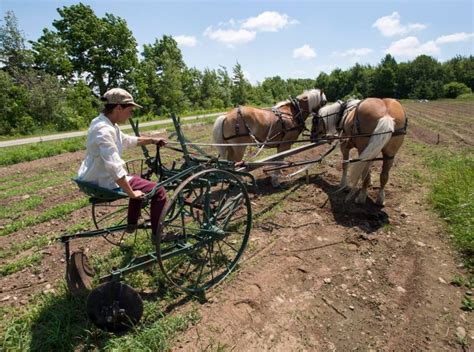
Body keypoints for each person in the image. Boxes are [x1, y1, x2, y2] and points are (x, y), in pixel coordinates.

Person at [78, 88, 167, 238]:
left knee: (137, 182)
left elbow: (127, 140)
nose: (131, 114)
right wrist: (131, 194)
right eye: (130, 110)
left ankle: (132, 223)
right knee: (158, 190)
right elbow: (114, 167)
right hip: (105, 181)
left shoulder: (103, 123)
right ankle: (158, 235)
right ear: (119, 107)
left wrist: (152, 140)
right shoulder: (105, 131)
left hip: (95, 175)